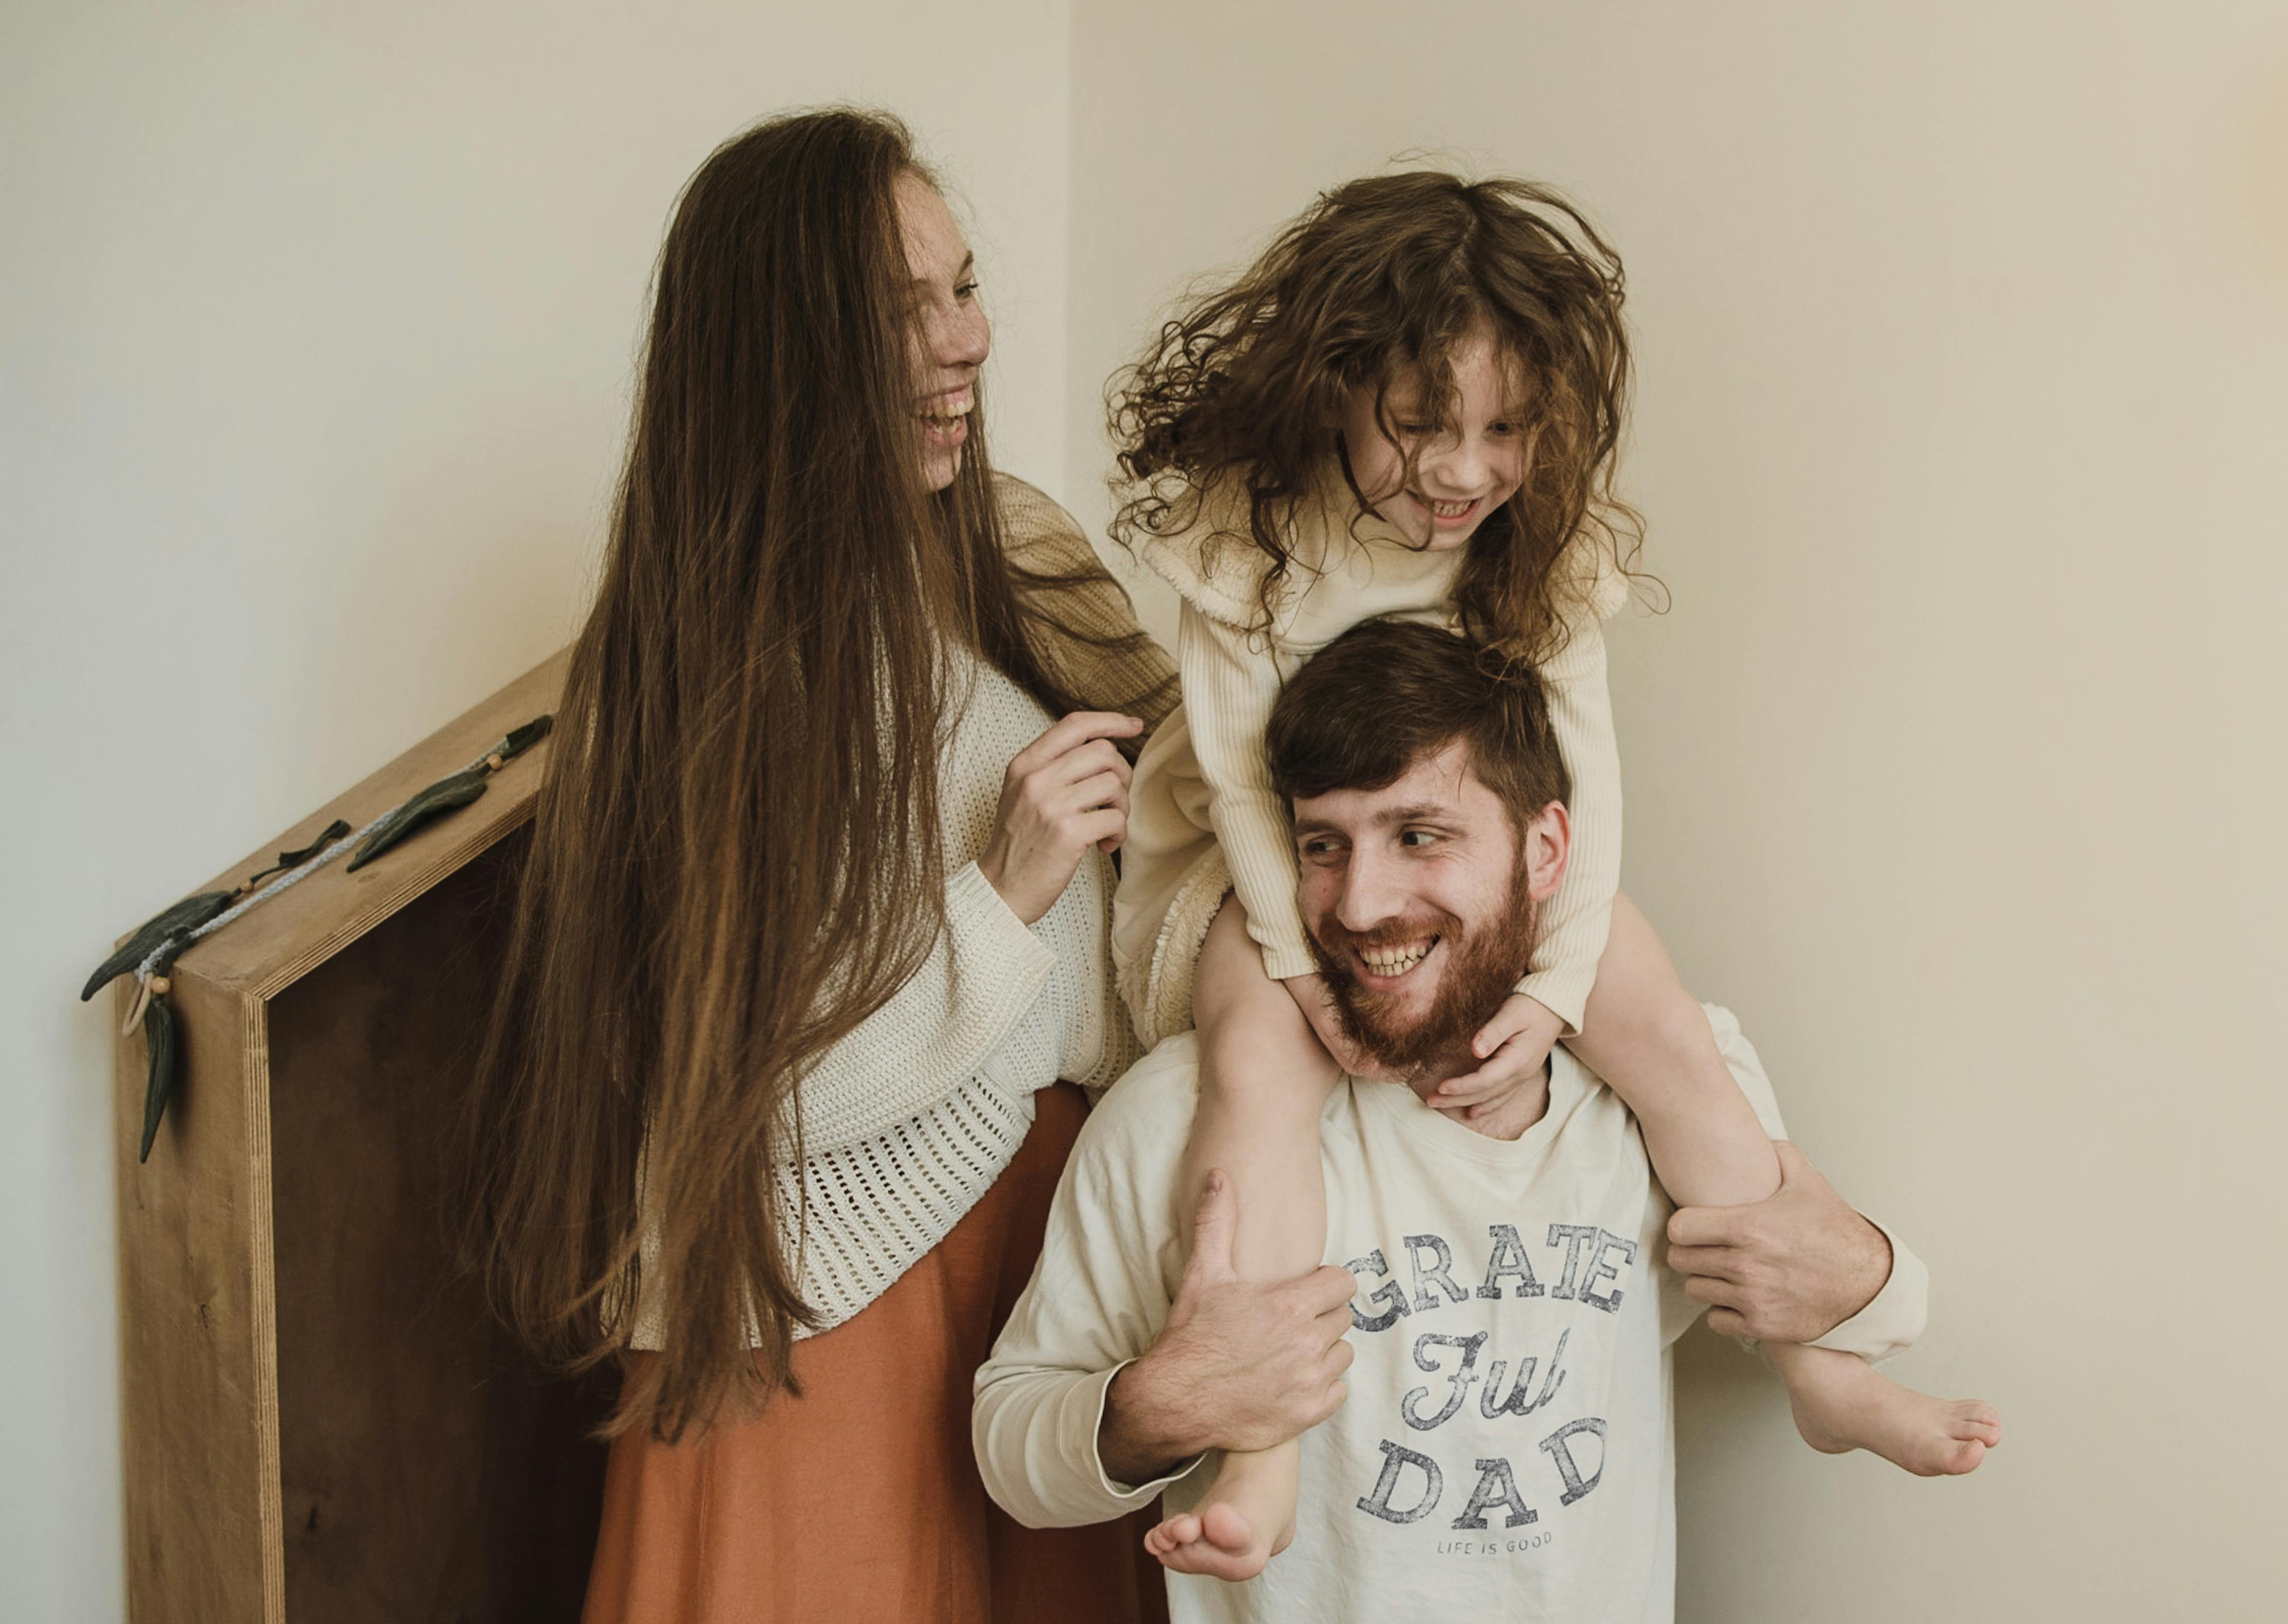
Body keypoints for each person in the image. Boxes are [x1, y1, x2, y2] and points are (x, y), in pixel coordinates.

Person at [1104, 172, 1997, 1578]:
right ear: (1335, 390)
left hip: (1473, 863)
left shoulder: (1538, 539)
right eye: (1418, 427)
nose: (1460, 472)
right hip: (1258, 866)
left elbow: (1589, 767)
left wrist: (1567, 979)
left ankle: (1824, 1363)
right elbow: (1233, 784)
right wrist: (1299, 972)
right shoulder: (1249, 531)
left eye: (1504, 430)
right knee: (1257, 1077)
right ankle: (1262, 1440)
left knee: (1672, 1037)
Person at [464, 109, 1178, 1624]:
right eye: (900, 309)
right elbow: (747, 1096)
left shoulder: (1017, 551)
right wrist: (1009, 891)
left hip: (1043, 1252)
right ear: (784, 351)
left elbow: (1214, 793)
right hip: (835, 1289)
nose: (965, 339)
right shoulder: (710, 661)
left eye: (963, 285)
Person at [976, 619, 1971, 1623]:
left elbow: (1843, 1294)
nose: (1361, 904)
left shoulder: (1659, 1080)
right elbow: (1009, 1450)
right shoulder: (1179, 1112)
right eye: (1324, 845)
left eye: (1419, 835)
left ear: (1545, 852)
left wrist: (1872, 1280)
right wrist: (1155, 1409)